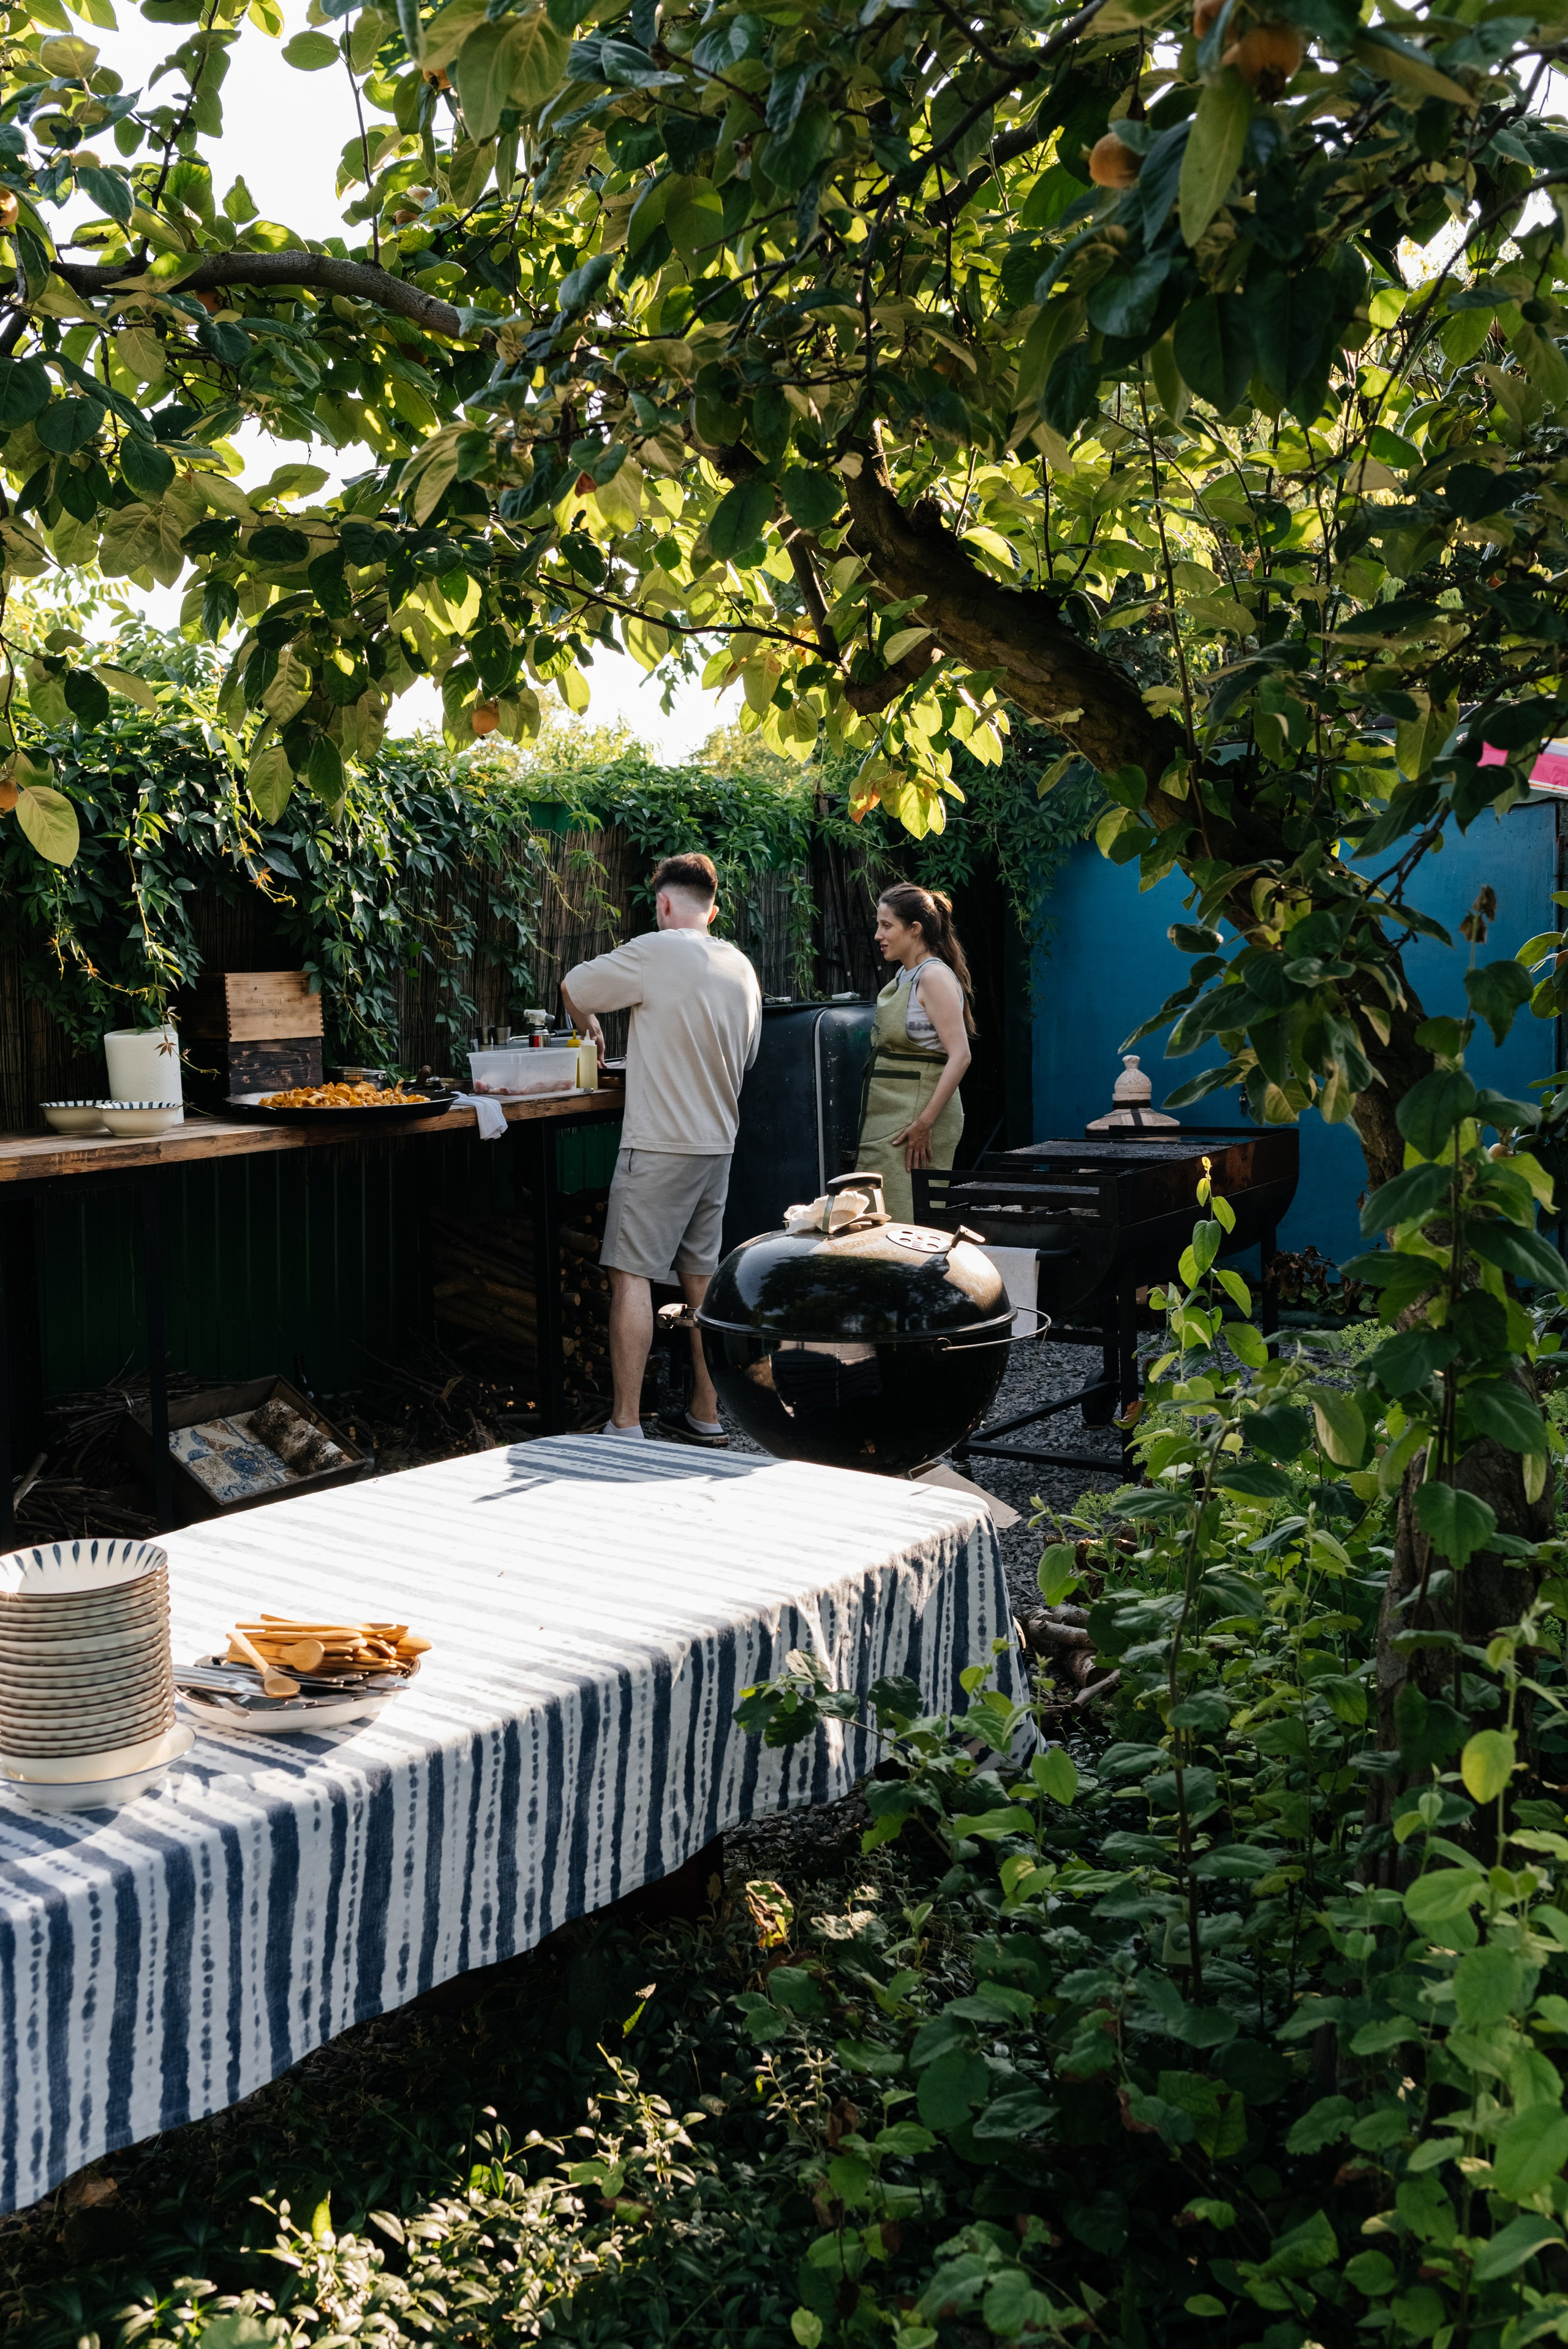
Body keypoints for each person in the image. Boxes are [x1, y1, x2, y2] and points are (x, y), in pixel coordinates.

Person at [562, 852, 762, 1445]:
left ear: (665, 904)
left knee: (631, 1276)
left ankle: (624, 1426)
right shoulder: (741, 965)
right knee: (700, 1281)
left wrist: (589, 1026)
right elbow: (747, 1058)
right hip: (717, 1144)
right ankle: (705, 1414)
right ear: (713, 909)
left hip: (659, 1144)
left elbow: (575, 985)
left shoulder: (658, 948)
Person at [854, 883, 974, 1222]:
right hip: (890, 1114)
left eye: (887, 925)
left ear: (915, 929)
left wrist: (924, 1124)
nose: (878, 934)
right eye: (879, 924)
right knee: (876, 1215)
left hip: (917, 1121)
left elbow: (961, 1055)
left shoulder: (934, 976)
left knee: (906, 1222)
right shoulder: (905, 974)